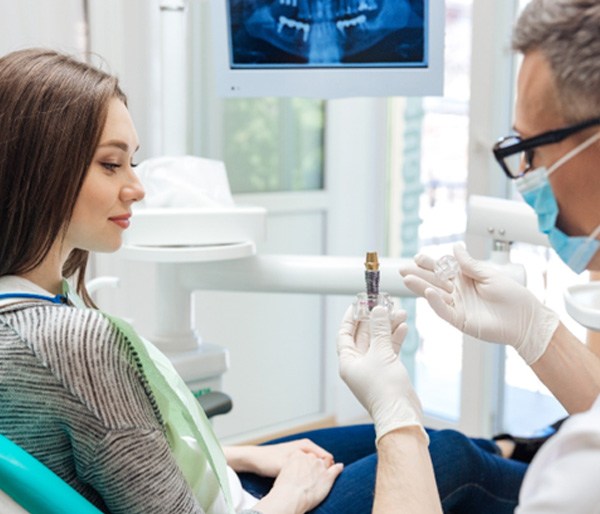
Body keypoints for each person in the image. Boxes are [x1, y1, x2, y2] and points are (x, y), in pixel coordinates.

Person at [337, 0, 600, 512]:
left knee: (453, 458)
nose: (525, 176)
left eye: (532, 148)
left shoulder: (579, 478)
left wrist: (396, 419)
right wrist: (535, 329)